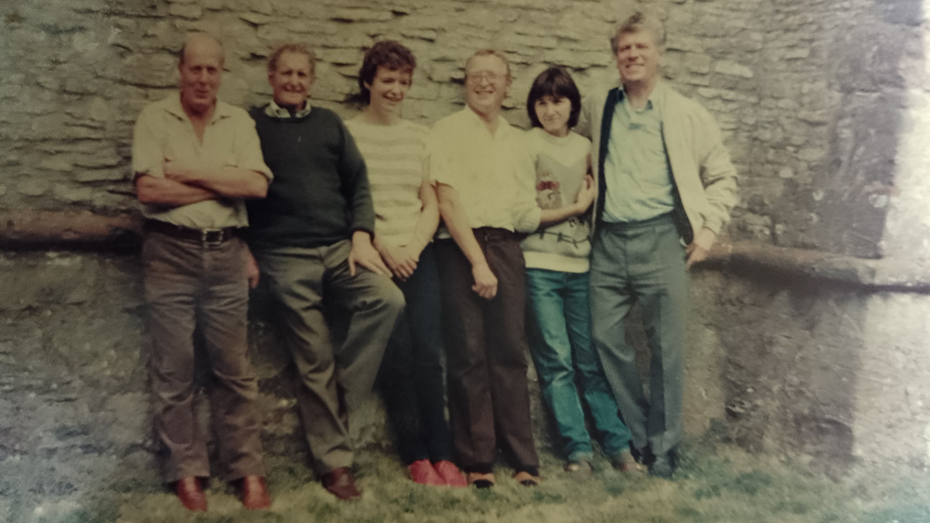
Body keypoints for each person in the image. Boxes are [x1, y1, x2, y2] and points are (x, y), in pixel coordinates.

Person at [579, 12, 739, 478]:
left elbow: (723, 175)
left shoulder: (686, 113)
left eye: (640, 48)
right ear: (616, 57)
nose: (631, 56)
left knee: (667, 348)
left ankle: (666, 452)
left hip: (661, 239)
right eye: (623, 50)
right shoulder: (598, 105)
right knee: (604, 339)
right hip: (607, 242)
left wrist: (707, 232)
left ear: (659, 56)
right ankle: (641, 437)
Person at [244, 43, 405, 500]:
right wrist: (244, 248)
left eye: (302, 74)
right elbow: (237, 191)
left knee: (387, 299)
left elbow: (359, 183)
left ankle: (338, 398)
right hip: (284, 255)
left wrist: (360, 234)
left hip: (339, 250)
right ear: (271, 77)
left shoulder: (330, 124)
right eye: (286, 73)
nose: (295, 81)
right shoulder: (250, 124)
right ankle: (335, 465)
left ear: (312, 80)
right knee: (313, 356)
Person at [131, 33, 272, 511]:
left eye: (213, 70)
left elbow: (255, 184)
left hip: (227, 254)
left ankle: (247, 470)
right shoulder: (155, 118)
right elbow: (150, 191)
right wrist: (219, 184)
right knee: (175, 371)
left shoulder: (238, 122)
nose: (204, 78)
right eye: (196, 69)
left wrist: (187, 172)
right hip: (169, 255)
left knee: (235, 370)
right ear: (180, 71)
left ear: (221, 73)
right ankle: (187, 472)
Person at [343, 41, 467, 488]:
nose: (395, 90)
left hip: (419, 253)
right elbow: (351, 202)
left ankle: (444, 452)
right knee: (396, 357)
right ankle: (415, 454)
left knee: (429, 353)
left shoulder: (420, 136)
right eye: (388, 80)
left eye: (403, 82)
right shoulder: (349, 134)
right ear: (368, 82)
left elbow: (429, 201)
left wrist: (414, 246)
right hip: (376, 254)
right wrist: (387, 247)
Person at [520, 67, 641, 474]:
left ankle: (618, 445)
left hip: (581, 266)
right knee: (556, 360)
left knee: (590, 360)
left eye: (558, 101)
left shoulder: (588, 146)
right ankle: (578, 450)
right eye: (542, 102)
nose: (550, 110)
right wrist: (574, 207)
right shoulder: (526, 144)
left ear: (573, 105)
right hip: (539, 267)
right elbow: (524, 214)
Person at [431, 49, 542, 488]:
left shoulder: (518, 140)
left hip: (508, 246)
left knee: (510, 352)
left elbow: (524, 207)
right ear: (465, 83)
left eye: (493, 76)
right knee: (468, 352)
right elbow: (447, 199)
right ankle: (477, 460)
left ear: (508, 85)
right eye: (475, 75)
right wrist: (478, 261)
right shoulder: (446, 130)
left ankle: (522, 459)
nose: (484, 83)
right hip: (460, 247)